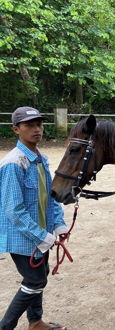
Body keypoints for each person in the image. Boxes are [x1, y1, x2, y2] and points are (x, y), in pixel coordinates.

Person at [0, 107, 68, 330]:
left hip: (42, 233)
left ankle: (35, 322)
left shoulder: (40, 159)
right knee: (35, 281)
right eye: (29, 125)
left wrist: (57, 225)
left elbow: (50, 197)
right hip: (24, 237)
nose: (37, 130)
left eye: (39, 124)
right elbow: (14, 210)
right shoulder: (13, 163)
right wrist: (41, 236)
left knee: (41, 276)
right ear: (16, 129)